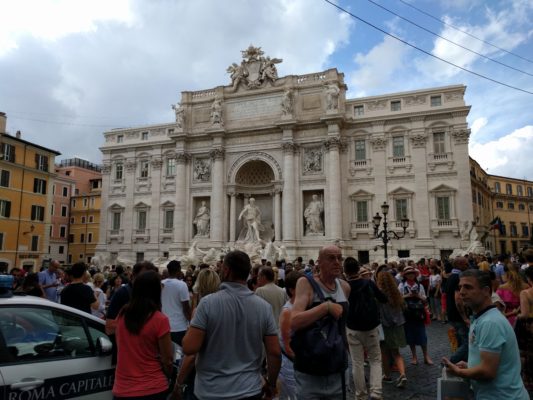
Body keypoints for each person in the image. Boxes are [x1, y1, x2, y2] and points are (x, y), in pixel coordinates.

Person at [181, 250, 281, 400]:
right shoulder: (263, 307)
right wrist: (271, 383)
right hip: (249, 389)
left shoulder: (207, 304)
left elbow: (189, 347)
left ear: (226, 271)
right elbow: (274, 353)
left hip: (211, 391)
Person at [442, 269, 529, 399]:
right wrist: (470, 366)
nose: (462, 292)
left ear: (486, 291)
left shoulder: (490, 322)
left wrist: (459, 372)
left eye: (468, 287)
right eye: (460, 287)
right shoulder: (480, 318)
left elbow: (487, 371)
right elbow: (490, 363)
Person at [291, 245, 350, 399]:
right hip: (310, 368)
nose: (337, 262)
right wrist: (326, 307)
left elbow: (341, 328)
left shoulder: (345, 287)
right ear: (319, 263)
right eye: (331, 258)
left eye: (339, 258)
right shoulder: (305, 284)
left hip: (338, 367)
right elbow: (294, 321)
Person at [113, 270, 174, 400]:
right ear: (156, 291)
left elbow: (122, 345)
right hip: (153, 387)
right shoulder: (160, 319)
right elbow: (167, 359)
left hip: (122, 388)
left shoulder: (122, 315)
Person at [172, 268, 221, 400]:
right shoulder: (226, 307)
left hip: (202, 375)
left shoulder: (200, 309)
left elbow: (191, 353)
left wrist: (178, 383)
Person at [344, 257, 387, 400]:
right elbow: (383, 298)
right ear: (358, 269)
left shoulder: (345, 286)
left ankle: (360, 395)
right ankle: (376, 392)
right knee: (375, 360)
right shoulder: (368, 283)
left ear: (345, 271)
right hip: (370, 327)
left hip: (352, 328)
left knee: (357, 363)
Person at [376, 268, 408, 388]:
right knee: (396, 353)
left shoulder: (379, 294)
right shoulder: (396, 292)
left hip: (385, 326)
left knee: (384, 352)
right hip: (398, 325)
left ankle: (387, 375)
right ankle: (403, 374)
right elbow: (403, 307)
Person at [398, 266, 433, 365]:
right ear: (405, 275)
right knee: (410, 336)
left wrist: (417, 295)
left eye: (412, 273)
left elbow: (425, 299)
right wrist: (407, 295)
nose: (411, 275)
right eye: (409, 274)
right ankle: (414, 357)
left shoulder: (420, 285)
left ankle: (426, 356)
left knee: (422, 335)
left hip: (418, 313)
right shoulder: (401, 285)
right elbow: (398, 299)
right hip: (408, 313)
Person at [277, 271, 303, 400]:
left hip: (296, 362)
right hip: (290, 363)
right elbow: (287, 345)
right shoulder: (288, 311)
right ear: (292, 290)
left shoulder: (302, 307)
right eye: (302, 287)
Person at [445, 256, 470, 363]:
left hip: (451, 313)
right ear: (459, 265)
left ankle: (460, 363)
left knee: (460, 340)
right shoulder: (459, 278)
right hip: (458, 315)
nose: (468, 266)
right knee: (467, 343)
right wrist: (464, 317)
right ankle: (451, 361)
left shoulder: (450, 277)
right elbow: (458, 299)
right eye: (466, 264)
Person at [162, 260, 191, 346]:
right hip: (179, 327)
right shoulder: (182, 285)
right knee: (179, 355)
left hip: (164, 326)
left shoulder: (161, 284)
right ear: (179, 271)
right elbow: (186, 307)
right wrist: (191, 322)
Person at [516, 266, 533, 390]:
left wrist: (517, 315)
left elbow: (525, 314)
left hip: (530, 329)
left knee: (529, 360)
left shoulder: (526, 293)